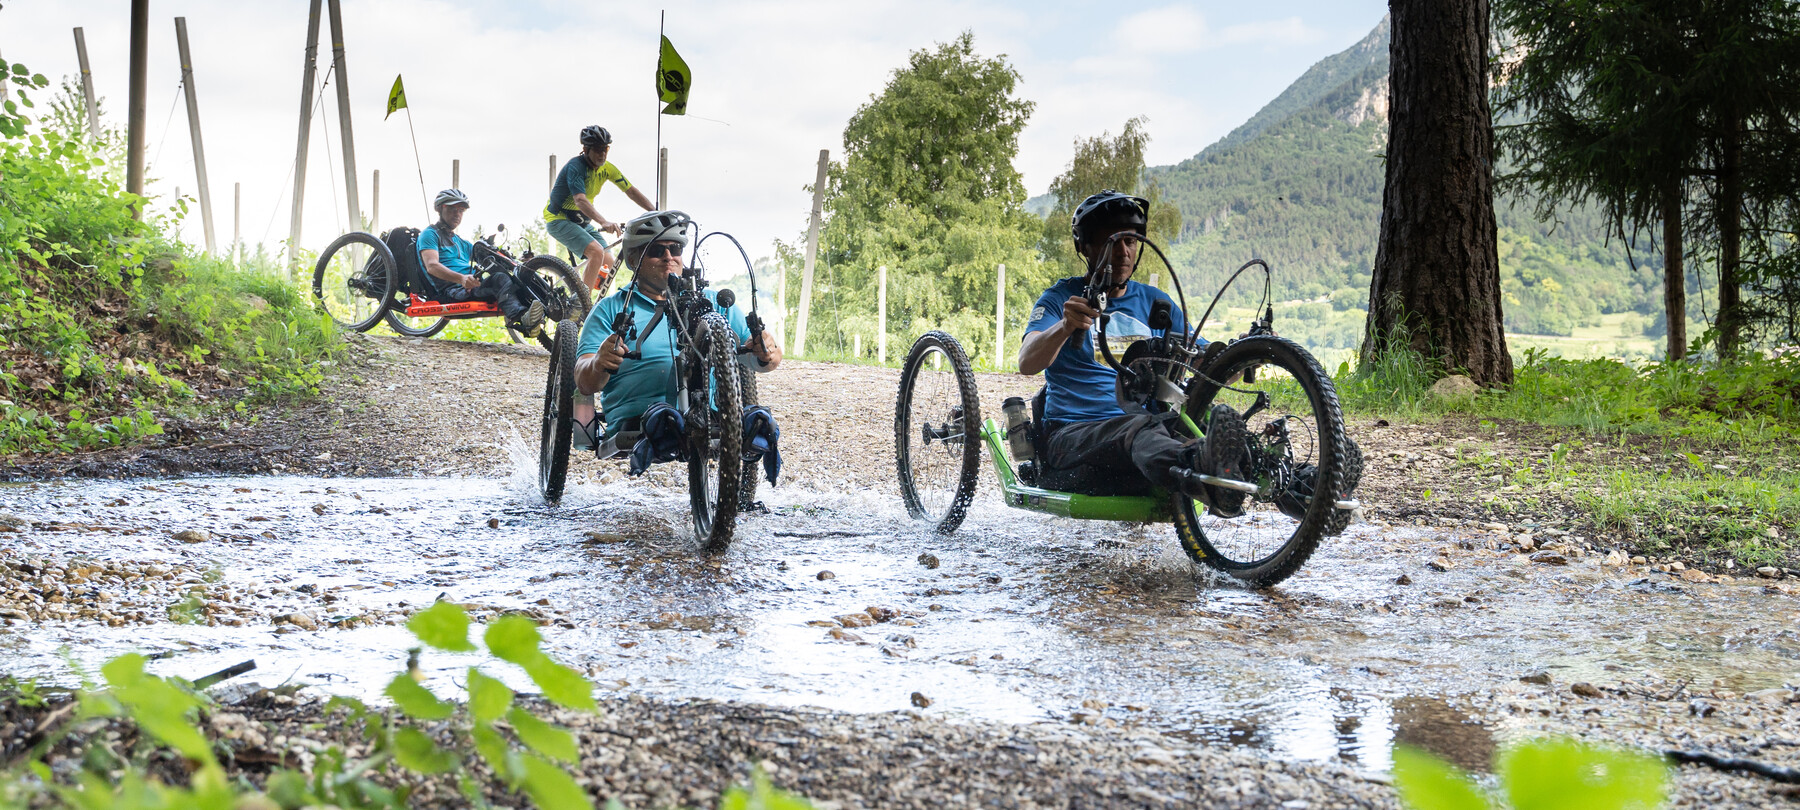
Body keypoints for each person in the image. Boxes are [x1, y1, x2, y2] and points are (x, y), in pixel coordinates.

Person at [1017, 190, 1245, 503]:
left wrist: (1237, 359)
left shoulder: (1156, 302)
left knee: (1202, 428)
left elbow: (1203, 363)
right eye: (1112, 241)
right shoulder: (1061, 299)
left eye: (1131, 241)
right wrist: (1065, 326)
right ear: (1085, 246)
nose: (1124, 252)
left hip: (1150, 433)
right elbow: (1027, 362)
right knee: (1140, 428)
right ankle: (1207, 476)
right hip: (1072, 435)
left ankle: (1307, 486)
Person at [572, 210, 782, 452]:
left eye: (675, 248)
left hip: (710, 415)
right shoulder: (610, 309)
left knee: (758, 423)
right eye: (656, 250)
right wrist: (599, 362)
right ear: (633, 259)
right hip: (636, 421)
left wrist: (766, 353)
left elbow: (762, 357)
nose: (669, 257)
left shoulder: (715, 303)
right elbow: (583, 382)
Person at [418, 188, 545, 336]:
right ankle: (522, 318)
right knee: (499, 279)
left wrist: (519, 263)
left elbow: (488, 259)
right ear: (440, 208)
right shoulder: (429, 234)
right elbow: (432, 266)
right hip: (452, 291)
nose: (457, 213)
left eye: (461, 210)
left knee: (515, 276)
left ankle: (559, 307)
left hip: (473, 286)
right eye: (452, 208)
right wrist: (461, 278)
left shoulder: (461, 242)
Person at [544, 125, 656, 292]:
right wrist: (604, 221)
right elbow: (580, 200)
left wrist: (654, 212)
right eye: (597, 150)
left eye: (605, 149)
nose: (602, 154)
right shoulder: (576, 167)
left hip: (580, 222)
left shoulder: (607, 168)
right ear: (585, 149)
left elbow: (630, 191)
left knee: (608, 261)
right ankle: (581, 306)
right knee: (596, 252)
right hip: (558, 219)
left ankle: (587, 294)